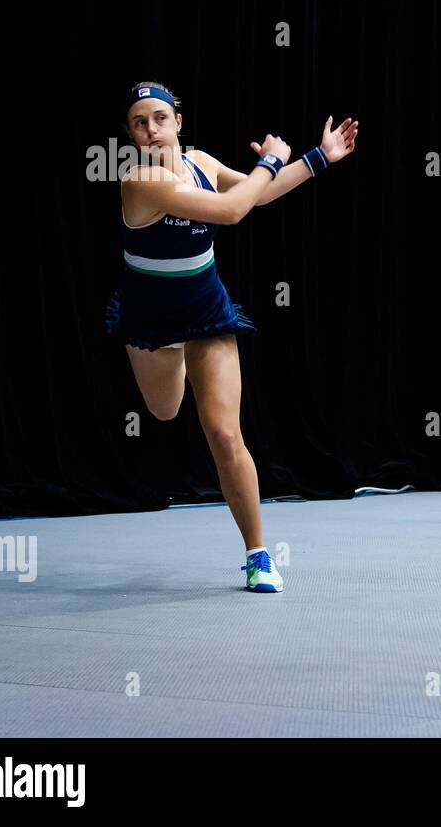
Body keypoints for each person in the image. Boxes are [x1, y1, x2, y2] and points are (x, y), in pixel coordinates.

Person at [105, 81, 358, 593]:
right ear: (130, 135)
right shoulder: (140, 181)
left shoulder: (201, 161)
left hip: (206, 312)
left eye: (159, 117)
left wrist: (319, 158)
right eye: (139, 122)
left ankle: (257, 554)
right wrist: (270, 161)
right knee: (164, 412)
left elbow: (255, 196)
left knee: (224, 434)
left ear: (177, 121)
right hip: (150, 323)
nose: (151, 129)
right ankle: (168, 361)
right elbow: (230, 210)